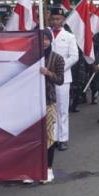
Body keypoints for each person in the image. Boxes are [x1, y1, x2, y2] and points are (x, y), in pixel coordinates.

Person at [49, 7, 79, 148]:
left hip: (63, 77)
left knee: (62, 108)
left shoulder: (69, 36)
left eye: (58, 19)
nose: (56, 21)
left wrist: (59, 68)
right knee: (50, 107)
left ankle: (63, 138)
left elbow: (74, 56)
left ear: (63, 20)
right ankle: (52, 137)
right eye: (53, 18)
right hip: (47, 77)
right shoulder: (45, 34)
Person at [39, 29, 65, 183]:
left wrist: (48, 73)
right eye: (41, 39)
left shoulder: (57, 58)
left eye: (46, 39)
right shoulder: (32, 57)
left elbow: (60, 80)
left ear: (50, 40)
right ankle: (33, 167)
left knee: (48, 134)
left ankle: (48, 168)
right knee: (33, 135)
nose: (43, 42)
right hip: (32, 102)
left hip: (49, 101)